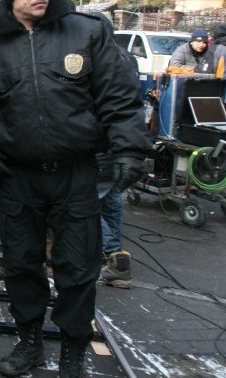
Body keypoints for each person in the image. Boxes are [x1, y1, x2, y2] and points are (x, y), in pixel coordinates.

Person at [0, 0, 149, 377]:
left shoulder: (87, 32)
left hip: (76, 173)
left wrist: (130, 150)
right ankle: (29, 344)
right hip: (16, 178)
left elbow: (119, 97)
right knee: (22, 264)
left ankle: (72, 352)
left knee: (78, 268)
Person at [96, 15, 142, 290]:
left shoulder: (100, 61)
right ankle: (117, 259)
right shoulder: (126, 57)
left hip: (101, 144)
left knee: (85, 206)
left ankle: (114, 257)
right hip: (120, 144)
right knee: (111, 201)